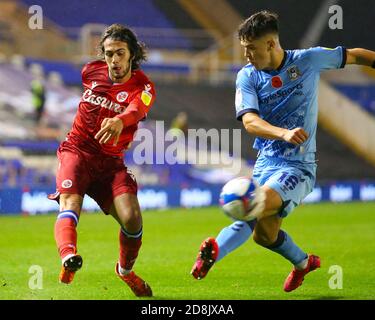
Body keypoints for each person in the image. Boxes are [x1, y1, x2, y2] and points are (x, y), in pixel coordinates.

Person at [191, 10, 375, 292]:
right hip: (266, 164)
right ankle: (303, 263)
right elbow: (250, 121)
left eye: (251, 49)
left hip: (298, 167)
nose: (247, 56)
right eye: (244, 49)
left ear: (271, 44)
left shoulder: (308, 60)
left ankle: (216, 249)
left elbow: (355, 56)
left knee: (252, 203)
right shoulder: (247, 77)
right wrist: (283, 133)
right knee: (264, 236)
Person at [48, 24, 155, 297]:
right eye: (109, 54)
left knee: (132, 220)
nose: (114, 61)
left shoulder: (144, 86)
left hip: (110, 164)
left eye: (120, 53)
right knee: (70, 203)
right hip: (78, 152)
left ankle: (125, 271)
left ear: (132, 55)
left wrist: (120, 120)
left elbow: (136, 108)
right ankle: (68, 257)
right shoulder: (90, 71)